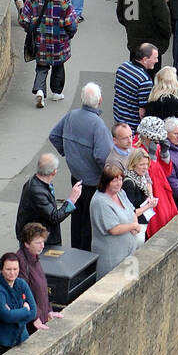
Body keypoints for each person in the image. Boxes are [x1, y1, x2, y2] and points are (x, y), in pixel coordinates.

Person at [48, 80, 112, 248]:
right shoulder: (98, 125)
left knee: (76, 217)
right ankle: (86, 259)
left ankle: (76, 252)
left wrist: (68, 153)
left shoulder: (71, 115)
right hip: (93, 182)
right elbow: (103, 157)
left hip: (76, 178)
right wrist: (107, 178)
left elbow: (54, 136)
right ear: (100, 101)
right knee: (89, 223)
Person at [20, 0, 78, 108]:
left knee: (41, 66)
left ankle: (40, 90)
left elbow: (24, 19)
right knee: (58, 65)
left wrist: (32, 30)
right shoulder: (63, 0)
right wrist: (70, 33)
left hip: (40, 40)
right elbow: (71, 22)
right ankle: (57, 92)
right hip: (59, 41)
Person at [90, 165, 146, 276]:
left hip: (128, 253)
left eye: (120, 179)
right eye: (115, 181)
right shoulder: (100, 201)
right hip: (111, 256)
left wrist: (134, 222)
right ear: (106, 182)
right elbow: (113, 229)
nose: (119, 183)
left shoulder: (120, 192)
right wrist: (133, 226)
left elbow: (132, 210)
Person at [16, 153, 81, 249]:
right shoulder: (37, 191)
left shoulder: (39, 183)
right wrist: (72, 200)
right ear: (54, 172)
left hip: (39, 235)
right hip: (39, 240)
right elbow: (54, 217)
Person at [0, 254, 37, 355]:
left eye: (15, 269)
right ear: (1, 269)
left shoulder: (21, 284)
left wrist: (15, 314)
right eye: (8, 269)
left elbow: (33, 312)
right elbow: (6, 316)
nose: (12, 273)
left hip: (22, 338)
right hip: (2, 344)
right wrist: (24, 310)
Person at [135, 117, 178, 234]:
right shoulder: (136, 150)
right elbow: (148, 175)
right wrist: (152, 157)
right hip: (151, 195)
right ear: (147, 137)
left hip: (163, 193)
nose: (158, 142)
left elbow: (166, 172)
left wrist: (165, 154)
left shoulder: (155, 146)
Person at [16, 223, 59, 329]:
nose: (42, 246)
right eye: (38, 243)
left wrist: (49, 310)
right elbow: (24, 292)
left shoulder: (34, 257)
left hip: (41, 317)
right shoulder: (21, 261)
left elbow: (42, 288)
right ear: (27, 243)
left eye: (43, 242)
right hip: (32, 322)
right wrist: (35, 317)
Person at [114, 42, 159, 128]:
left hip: (118, 117)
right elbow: (142, 111)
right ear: (145, 59)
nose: (157, 61)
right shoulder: (145, 81)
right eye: (155, 58)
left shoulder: (123, 67)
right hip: (131, 126)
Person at [122, 146, 160, 237]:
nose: (145, 167)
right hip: (134, 228)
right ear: (133, 164)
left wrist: (149, 199)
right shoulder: (129, 184)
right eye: (141, 164)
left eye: (147, 164)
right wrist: (148, 206)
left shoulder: (140, 177)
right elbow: (131, 213)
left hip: (142, 223)